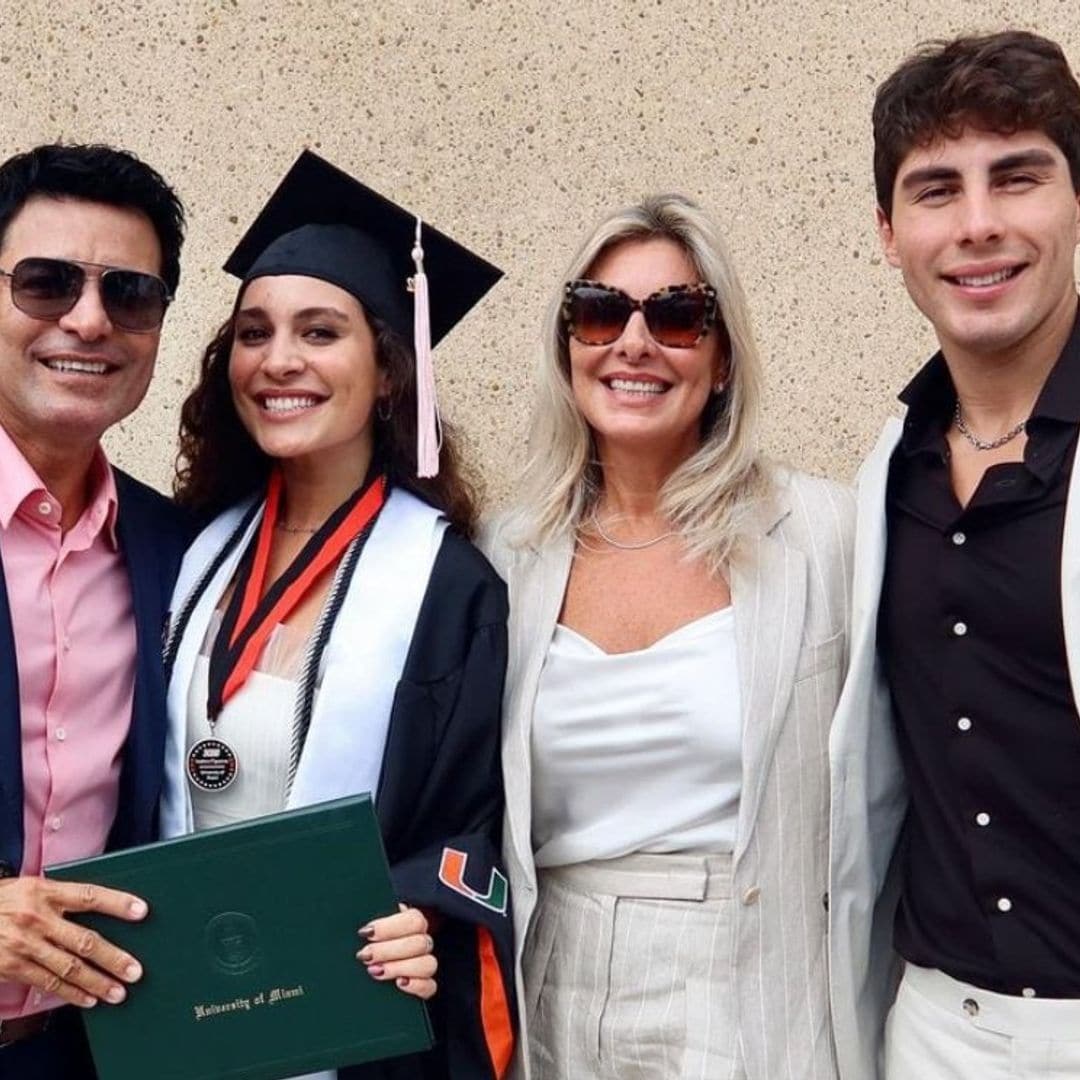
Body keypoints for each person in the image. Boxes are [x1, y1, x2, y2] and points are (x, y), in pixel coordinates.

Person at [161, 151, 514, 1080]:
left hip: (342, 1020)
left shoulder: (447, 585)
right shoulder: (188, 552)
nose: (279, 361)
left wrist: (422, 911)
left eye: (321, 332)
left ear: (390, 370)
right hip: (172, 1010)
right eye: (254, 332)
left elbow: (473, 819)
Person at [483, 194, 853, 1080]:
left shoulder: (823, 534)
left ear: (722, 360)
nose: (633, 344)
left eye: (678, 316)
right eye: (601, 312)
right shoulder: (507, 550)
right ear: (568, 344)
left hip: (748, 973)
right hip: (552, 969)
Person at [828, 30, 1080, 1080]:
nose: (978, 226)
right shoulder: (887, 476)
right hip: (931, 1029)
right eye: (937, 191)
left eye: (1017, 177)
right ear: (889, 233)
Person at [0, 143, 189, 1077]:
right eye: (45, 283)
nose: (88, 320)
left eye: (130, 293)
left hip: (93, 1053)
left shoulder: (178, 549)